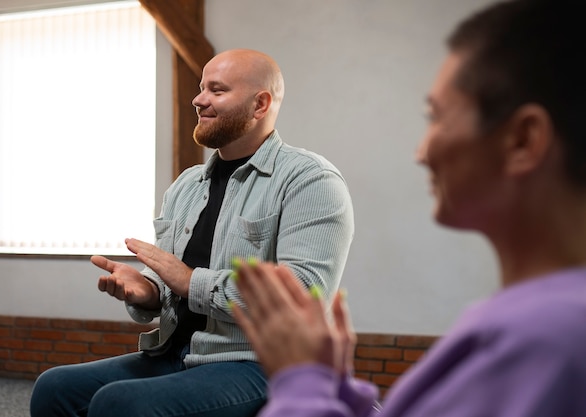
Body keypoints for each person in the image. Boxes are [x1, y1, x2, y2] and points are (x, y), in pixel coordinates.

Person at [231, 1, 586, 416]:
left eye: (434, 116)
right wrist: (334, 389)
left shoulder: (542, 340)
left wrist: (300, 384)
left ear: (523, 140)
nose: (421, 152)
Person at [29, 48, 354, 417]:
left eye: (217, 90)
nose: (198, 100)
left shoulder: (310, 180)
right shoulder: (186, 185)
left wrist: (189, 282)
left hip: (264, 366)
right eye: (201, 88)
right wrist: (148, 292)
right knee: (54, 387)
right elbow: (169, 279)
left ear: (260, 104)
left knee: (118, 404)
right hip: (177, 352)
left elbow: (303, 297)